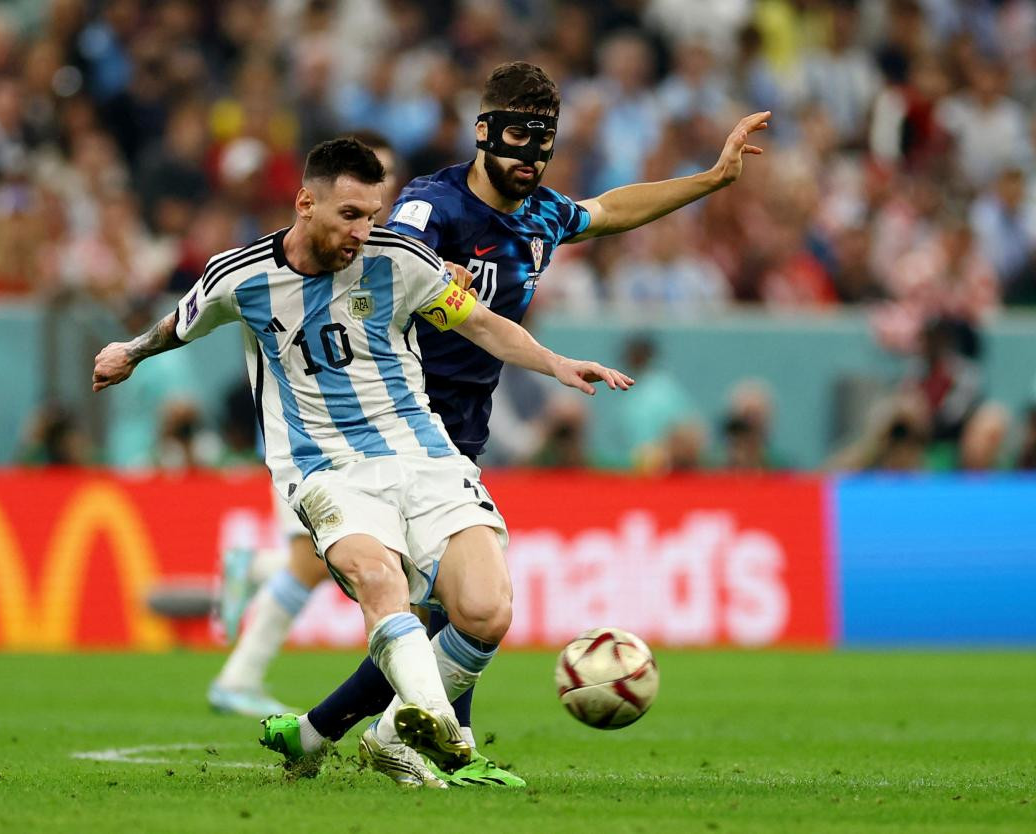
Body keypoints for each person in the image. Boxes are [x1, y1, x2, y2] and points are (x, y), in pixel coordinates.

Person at [258, 61, 767, 786]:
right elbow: (372, 257)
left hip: (457, 429)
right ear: (484, 133)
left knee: (454, 608)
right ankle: (406, 741)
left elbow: (610, 209)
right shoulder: (429, 208)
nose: (530, 159)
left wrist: (711, 180)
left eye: (543, 146)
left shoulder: (539, 217)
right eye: (518, 141)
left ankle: (318, 735)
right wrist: (429, 277)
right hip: (381, 426)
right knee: (450, 603)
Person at [91, 138, 632, 789]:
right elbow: (180, 322)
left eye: (372, 214)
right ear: (305, 202)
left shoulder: (400, 262)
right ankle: (443, 736)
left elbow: (483, 325)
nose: (362, 231)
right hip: (327, 469)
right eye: (350, 214)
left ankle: (378, 737)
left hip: (424, 456)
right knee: (381, 581)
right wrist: (130, 351)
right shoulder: (243, 275)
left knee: (486, 611)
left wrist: (557, 364)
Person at [206, 131, 401, 718]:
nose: (365, 220)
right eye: (353, 206)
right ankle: (239, 678)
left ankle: (248, 606)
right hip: (306, 441)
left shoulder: (381, 256)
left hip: (372, 439)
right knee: (324, 560)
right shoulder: (279, 263)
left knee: (320, 561)